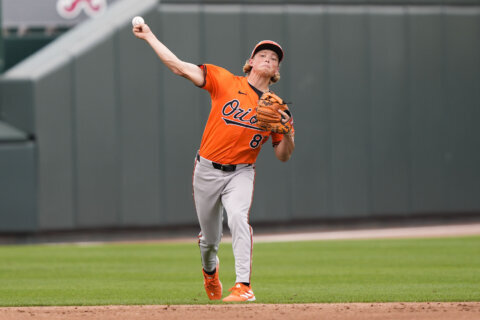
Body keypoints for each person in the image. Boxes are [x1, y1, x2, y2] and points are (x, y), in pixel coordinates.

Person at [133, 22, 295, 302]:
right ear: (250, 63)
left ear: (277, 71)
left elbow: (283, 156)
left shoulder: (279, 109)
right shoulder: (225, 80)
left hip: (241, 173)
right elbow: (178, 67)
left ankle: (244, 286)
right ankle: (210, 272)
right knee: (209, 241)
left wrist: (287, 131)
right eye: (263, 55)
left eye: (274, 58)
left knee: (237, 218)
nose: (269, 59)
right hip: (206, 169)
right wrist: (149, 36)